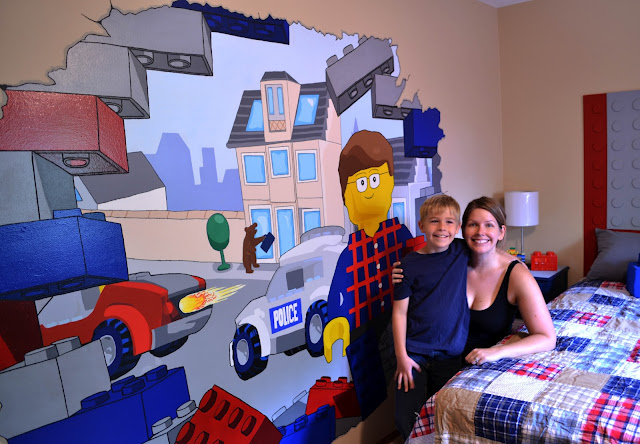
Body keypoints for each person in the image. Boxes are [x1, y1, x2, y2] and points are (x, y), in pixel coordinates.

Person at [393, 196, 555, 367]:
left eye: (489, 225)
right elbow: (422, 263)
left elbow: (547, 338)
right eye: (473, 224)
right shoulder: (451, 257)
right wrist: (401, 271)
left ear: (501, 232)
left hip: (481, 366)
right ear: (462, 230)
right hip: (433, 359)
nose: (480, 232)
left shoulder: (516, 274)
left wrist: (498, 351)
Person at [392, 194, 470, 440]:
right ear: (422, 225)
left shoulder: (462, 251)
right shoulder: (407, 265)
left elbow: (489, 249)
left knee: (444, 413)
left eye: (449, 222)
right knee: (407, 415)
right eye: (435, 221)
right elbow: (399, 312)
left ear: (458, 228)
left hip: (450, 354)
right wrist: (401, 356)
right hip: (413, 353)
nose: (442, 228)